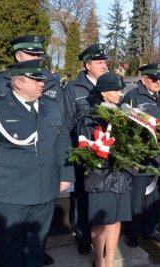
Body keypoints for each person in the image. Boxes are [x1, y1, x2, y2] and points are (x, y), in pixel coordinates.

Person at [0, 59, 74, 267]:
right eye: (36, 79)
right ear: (18, 83)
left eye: (42, 78)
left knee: (36, 246)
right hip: (11, 193)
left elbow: (63, 141)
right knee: (8, 249)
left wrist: (66, 174)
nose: (42, 82)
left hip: (44, 190)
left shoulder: (52, 106)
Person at [76, 72, 133, 267]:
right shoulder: (90, 117)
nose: (120, 94)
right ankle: (99, 260)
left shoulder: (125, 116)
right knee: (100, 222)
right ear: (103, 93)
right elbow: (84, 147)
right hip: (100, 176)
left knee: (116, 220)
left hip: (121, 175)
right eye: (115, 90)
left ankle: (110, 260)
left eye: (120, 90)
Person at [62, 43, 109, 255]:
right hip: (83, 153)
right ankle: (82, 235)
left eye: (105, 62)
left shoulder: (109, 85)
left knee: (99, 195)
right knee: (81, 196)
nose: (105, 65)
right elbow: (66, 125)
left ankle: (99, 235)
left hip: (106, 153)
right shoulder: (73, 89)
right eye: (100, 62)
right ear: (87, 65)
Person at [122, 63, 160, 247]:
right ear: (144, 79)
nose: (158, 82)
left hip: (159, 155)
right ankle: (132, 231)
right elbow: (125, 128)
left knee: (154, 196)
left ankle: (150, 229)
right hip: (140, 156)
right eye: (154, 79)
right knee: (136, 197)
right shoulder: (132, 96)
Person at [0, 35, 61, 102]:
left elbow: (60, 115)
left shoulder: (51, 82)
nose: (37, 58)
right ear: (18, 57)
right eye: (32, 54)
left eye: (39, 54)